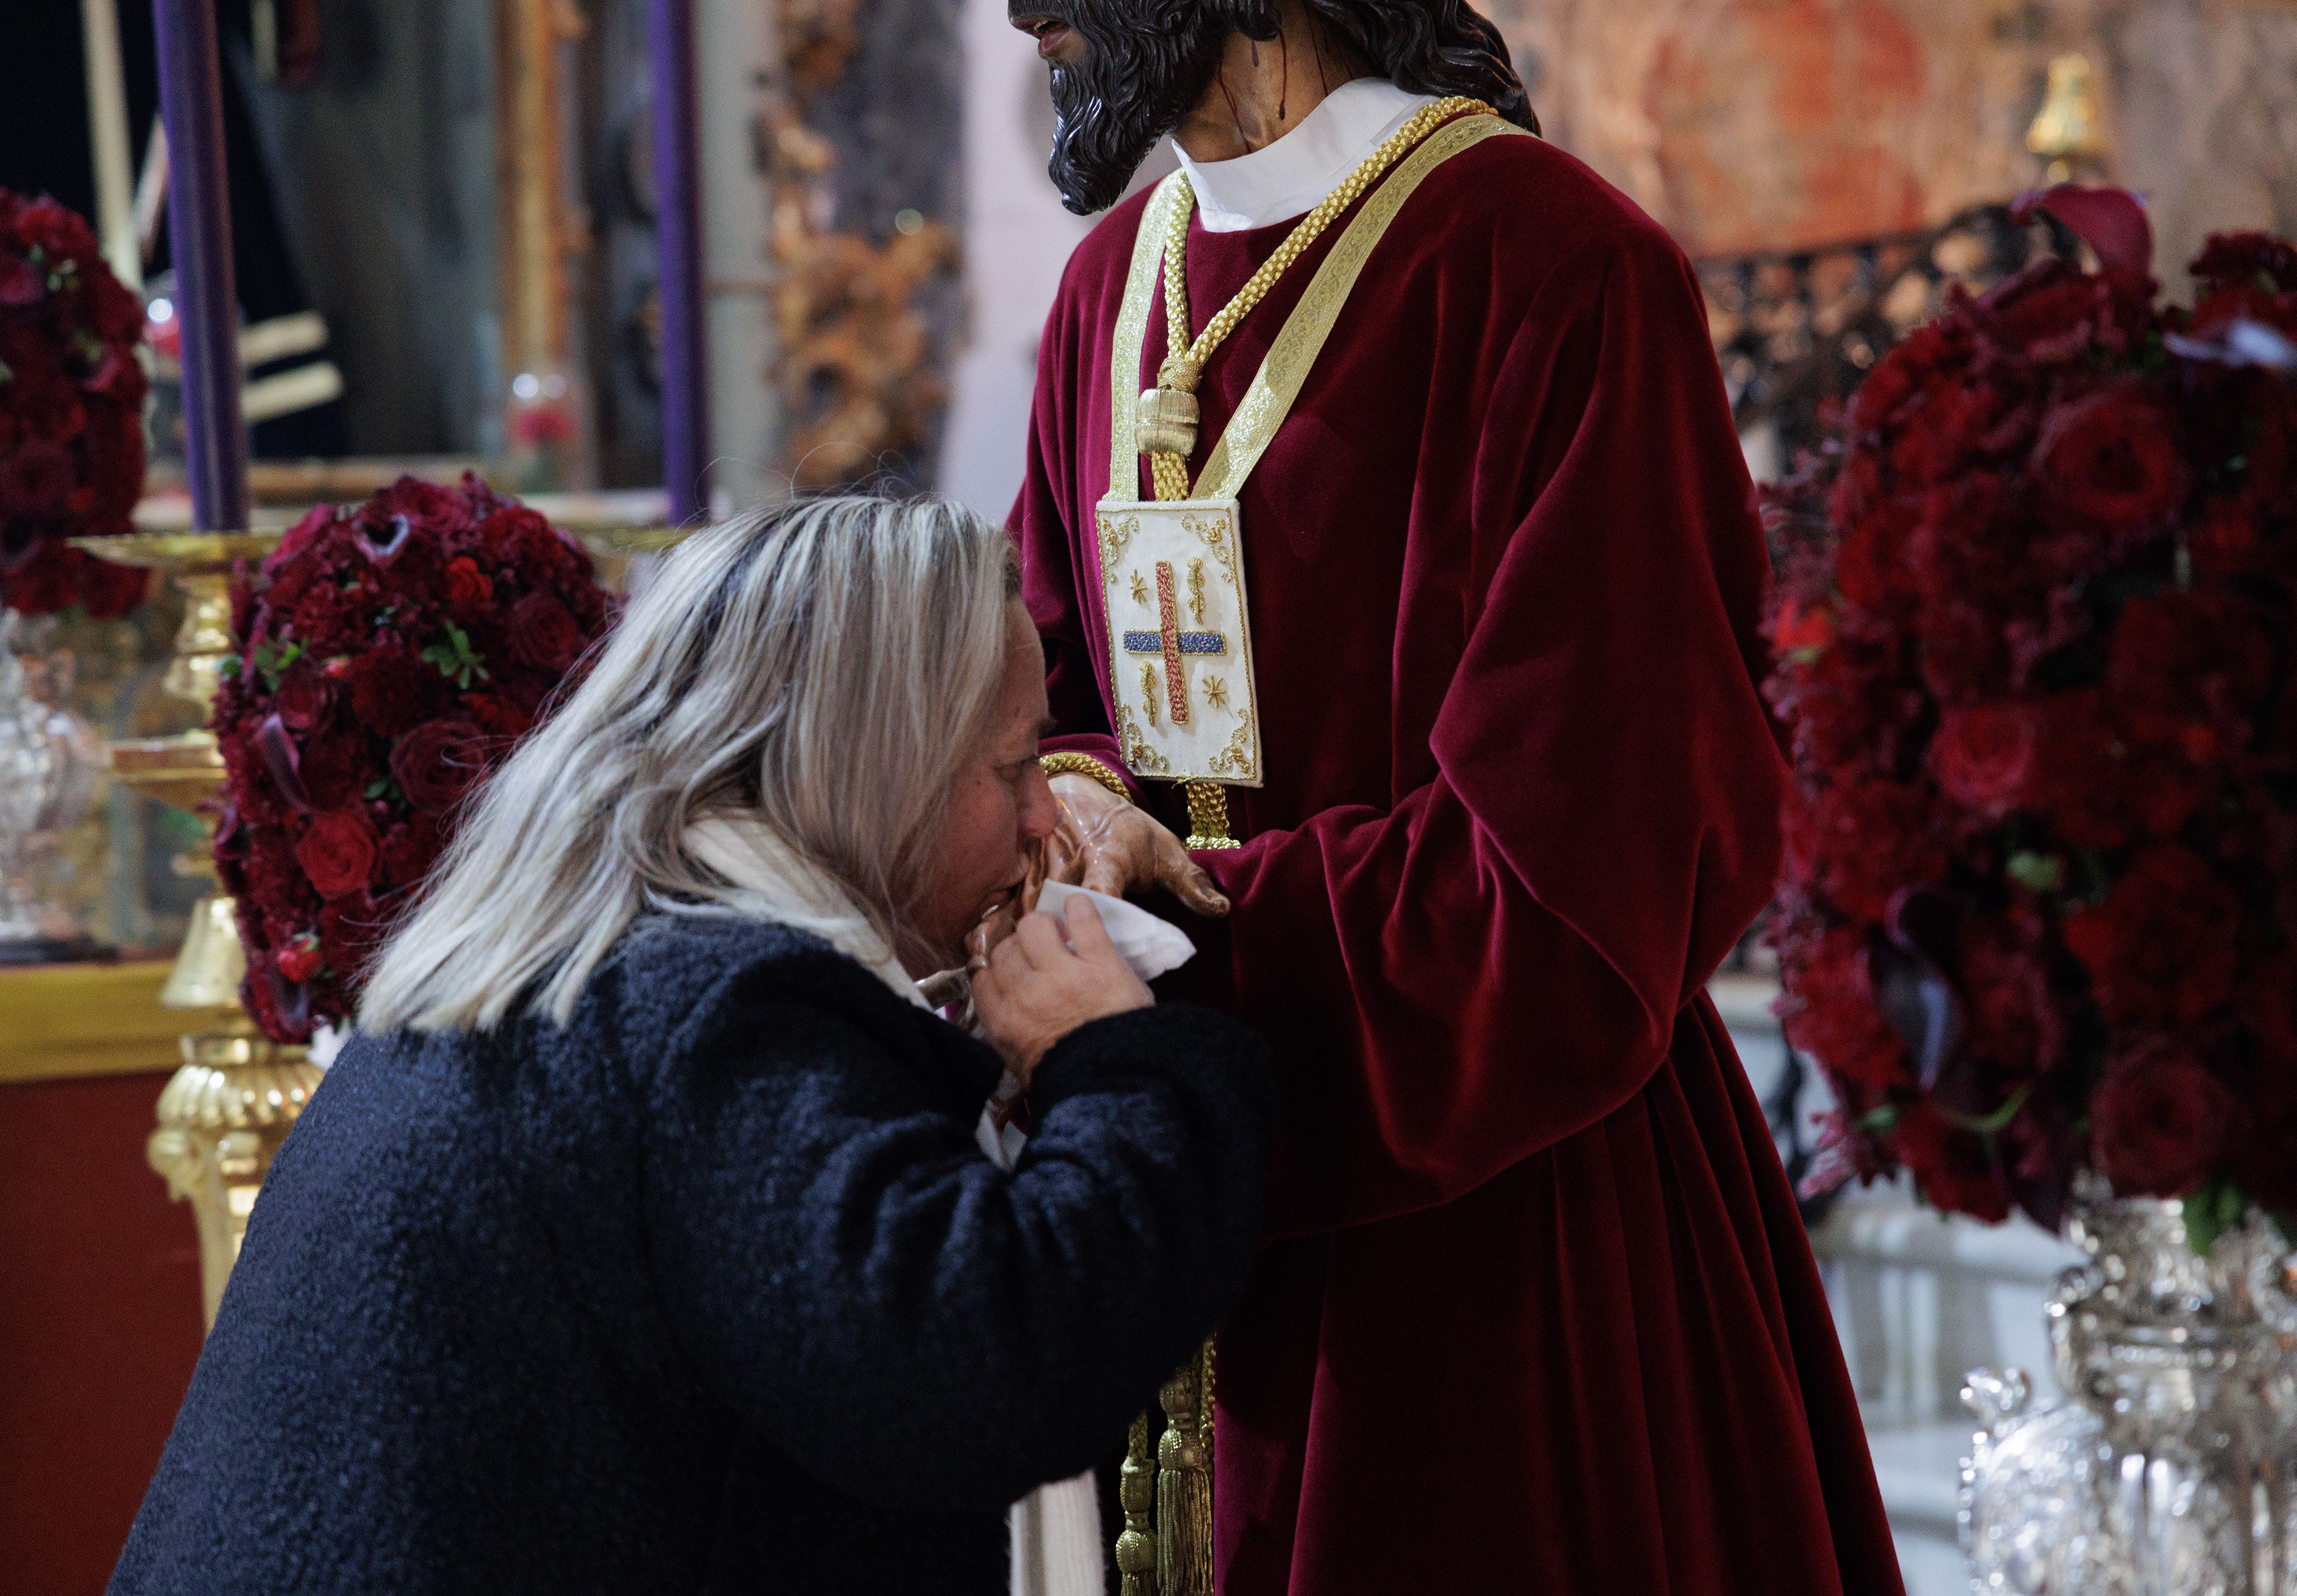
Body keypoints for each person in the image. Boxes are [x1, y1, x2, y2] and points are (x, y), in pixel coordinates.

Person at [999, 2, 1906, 1592]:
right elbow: (1054, 692)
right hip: (1152, 1214)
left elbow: (1587, 860)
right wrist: (1069, 810)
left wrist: (1170, 950)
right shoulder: (1108, 292)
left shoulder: (1554, 269)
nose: (1022, 11)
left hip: (1500, 1251)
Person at [106, 497, 1275, 1596]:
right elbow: (978, 1371)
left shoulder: (586, 946)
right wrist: (1112, 1061)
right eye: (1013, 764)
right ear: (879, 760)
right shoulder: (714, 1008)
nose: (1041, 819)